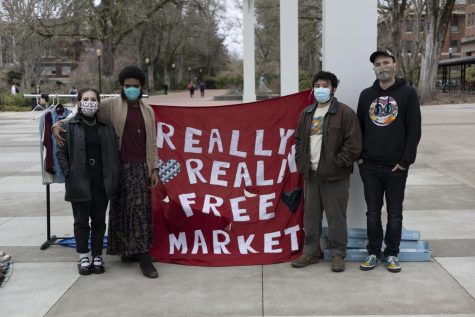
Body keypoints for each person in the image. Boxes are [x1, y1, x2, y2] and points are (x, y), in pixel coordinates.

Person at [54, 66, 161, 278]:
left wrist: (155, 167)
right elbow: (85, 113)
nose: (132, 89)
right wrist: (58, 123)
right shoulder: (111, 105)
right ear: (121, 87)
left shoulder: (148, 110)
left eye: (136, 86)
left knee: (140, 211)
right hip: (116, 166)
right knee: (119, 211)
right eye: (128, 86)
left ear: (142, 88)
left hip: (141, 166)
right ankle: (126, 251)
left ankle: (143, 254)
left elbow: (153, 142)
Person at [357, 50, 421, 273]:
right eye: (378, 63)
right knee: (372, 212)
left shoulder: (407, 93)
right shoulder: (366, 95)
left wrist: (405, 162)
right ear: (374, 68)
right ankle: (374, 252)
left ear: (394, 65)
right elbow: (359, 128)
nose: (382, 66)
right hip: (370, 166)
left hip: (396, 167)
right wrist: (360, 158)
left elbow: (414, 131)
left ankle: (392, 253)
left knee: (395, 213)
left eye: (386, 62)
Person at [292, 71, 362, 272]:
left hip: (335, 176)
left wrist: (337, 163)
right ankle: (311, 251)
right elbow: (298, 141)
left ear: (333, 89)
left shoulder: (345, 113)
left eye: (325, 85)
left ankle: (338, 253)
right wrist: (301, 161)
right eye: (317, 85)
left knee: (336, 216)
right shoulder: (306, 114)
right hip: (311, 175)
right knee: (311, 216)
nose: (321, 89)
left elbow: (354, 145)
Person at [56, 88, 120, 276]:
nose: (89, 102)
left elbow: (115, 152)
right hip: (79, 178)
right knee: (81, 220)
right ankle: (83, 255)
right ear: (78, 102)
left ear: (99, 103)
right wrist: (68, 172)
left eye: (93, 99)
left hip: (101, 179)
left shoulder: (107, 127)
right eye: (86, 99)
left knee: (99, 220)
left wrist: (113, 172)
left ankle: (97, 255)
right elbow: (60, 152)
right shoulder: (69, 126)